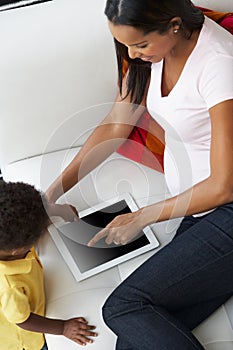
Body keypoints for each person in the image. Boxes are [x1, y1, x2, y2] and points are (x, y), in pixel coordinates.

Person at [46, 0, 233, 348]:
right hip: (198, 212)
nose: (131, 54)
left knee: (123, 307)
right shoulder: (149, 57)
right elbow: (118, 124)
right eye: (125, 44)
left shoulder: (219, 65)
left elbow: (224, 186)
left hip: (224, 210)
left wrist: (142, 217)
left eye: (141, 44)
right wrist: (49, 196)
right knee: (132, 341)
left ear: (173, 25)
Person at [0, 181, 97, 350]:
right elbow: (23, 320)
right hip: (26, 337)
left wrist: (54, 210)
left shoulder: (8, 241)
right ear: (18, 249)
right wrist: (63, 328)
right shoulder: (8, 286)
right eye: (41, 230)